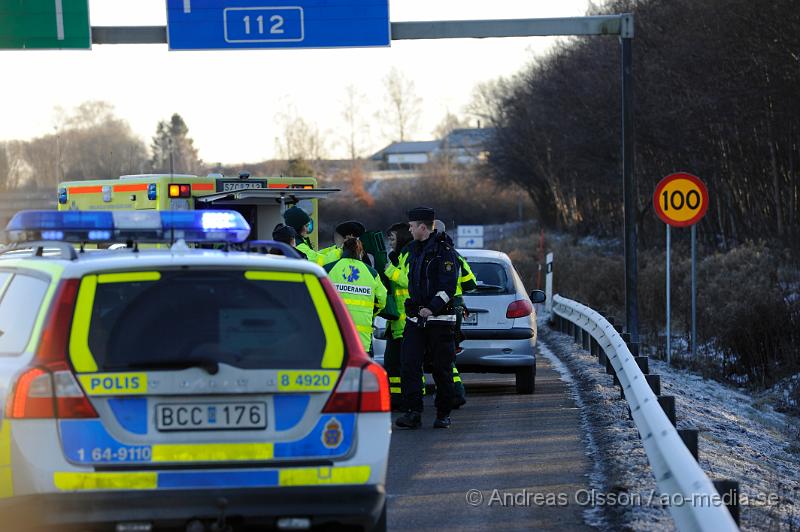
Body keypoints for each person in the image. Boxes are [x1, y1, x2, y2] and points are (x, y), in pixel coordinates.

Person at [395, 207, 459, 429]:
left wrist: (431, 308)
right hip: (416, 320)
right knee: (409, 365)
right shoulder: (413, 250)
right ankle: (413, 412)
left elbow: (448, 287)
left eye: (412, 227)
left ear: (423, 227)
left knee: (442, 369)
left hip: (440, 321)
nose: (410, 230)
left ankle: (443, 414)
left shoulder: (445, 252)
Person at [433, 219, 477, 408]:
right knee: (447, 354)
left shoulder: (432, 254)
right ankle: (454, 392)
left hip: (439, 306)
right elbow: (471, 283)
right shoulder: (455, 255)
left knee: (441, 354)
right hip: (456, 306)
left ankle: (455, 393)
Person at [324, 236, 387, 352]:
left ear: (343, 250)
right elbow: (382, 299)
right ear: (361, 252)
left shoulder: (328, 269)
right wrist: (372, 312)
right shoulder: (371, 273)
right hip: (361, 340)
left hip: (334, 336)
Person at [383, 222, 413, 410]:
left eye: (393, 239)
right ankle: (397, 399)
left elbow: (408, 281)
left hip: (406, 323)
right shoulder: (401, 256)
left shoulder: (410, 255)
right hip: (398, 324)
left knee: (399, 365)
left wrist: (389, 269)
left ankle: (402, 400)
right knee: (393, 364)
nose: (391, 243)